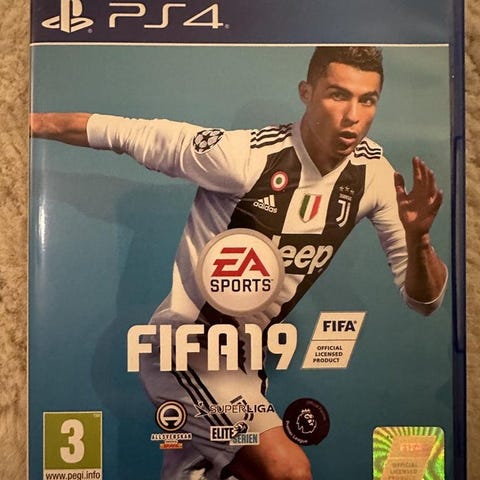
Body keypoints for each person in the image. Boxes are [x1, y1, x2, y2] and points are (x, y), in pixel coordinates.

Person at [30, 46, 448, 480]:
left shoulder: (374, 174)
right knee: (288, 471)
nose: (352, 116)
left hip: (245, 362)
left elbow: (424, 300)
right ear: (306, 93)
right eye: (337, 95)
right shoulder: (244, 157)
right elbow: (123, 133)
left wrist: (418, 240)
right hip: (187, 350)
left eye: (367, 100)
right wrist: (26, 123)